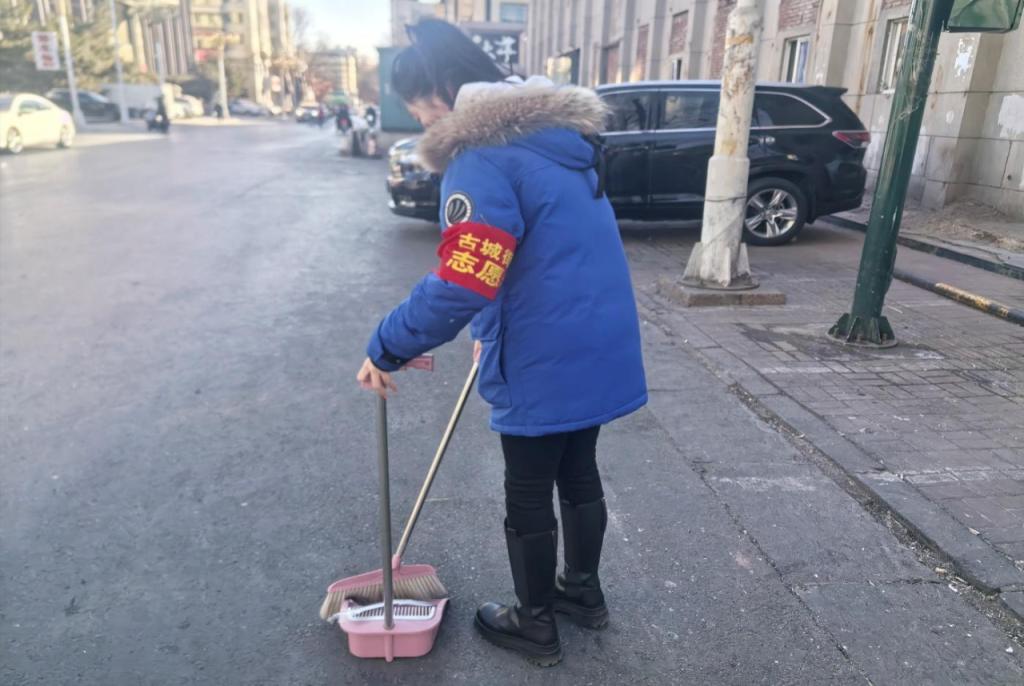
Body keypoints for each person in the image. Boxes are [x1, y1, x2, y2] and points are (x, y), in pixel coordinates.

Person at [355, 19, 647, 667]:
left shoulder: (482, 160)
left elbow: (465, 279)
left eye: (417, 105)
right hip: (596, 339)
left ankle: (534, 623)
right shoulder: (561, 145)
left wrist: (388, 344)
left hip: (543, 352)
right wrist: (492, 327)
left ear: (442, 91)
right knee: (578, 468)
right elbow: (541, 255)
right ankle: (582, 593)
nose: (419, 120)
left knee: (528, 486)